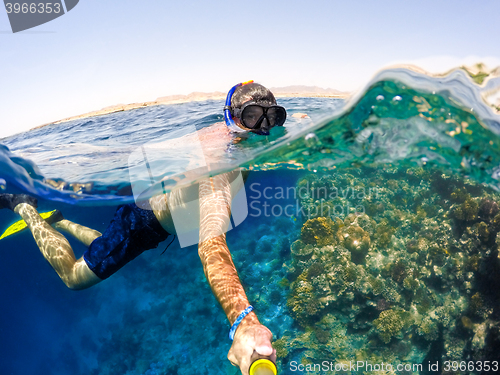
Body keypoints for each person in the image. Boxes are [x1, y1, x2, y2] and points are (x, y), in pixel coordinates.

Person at [0, 81, 287, 375]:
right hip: (141, 222)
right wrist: (245, 322)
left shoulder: (241, 142)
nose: (261, 129)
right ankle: (23, 205)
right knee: (74, 276)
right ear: (231, 116)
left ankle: (60, 220)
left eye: (272, 118)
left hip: (156, 215)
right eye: (252, 117)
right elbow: (211, 244)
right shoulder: (217, 170)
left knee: (105, 245)